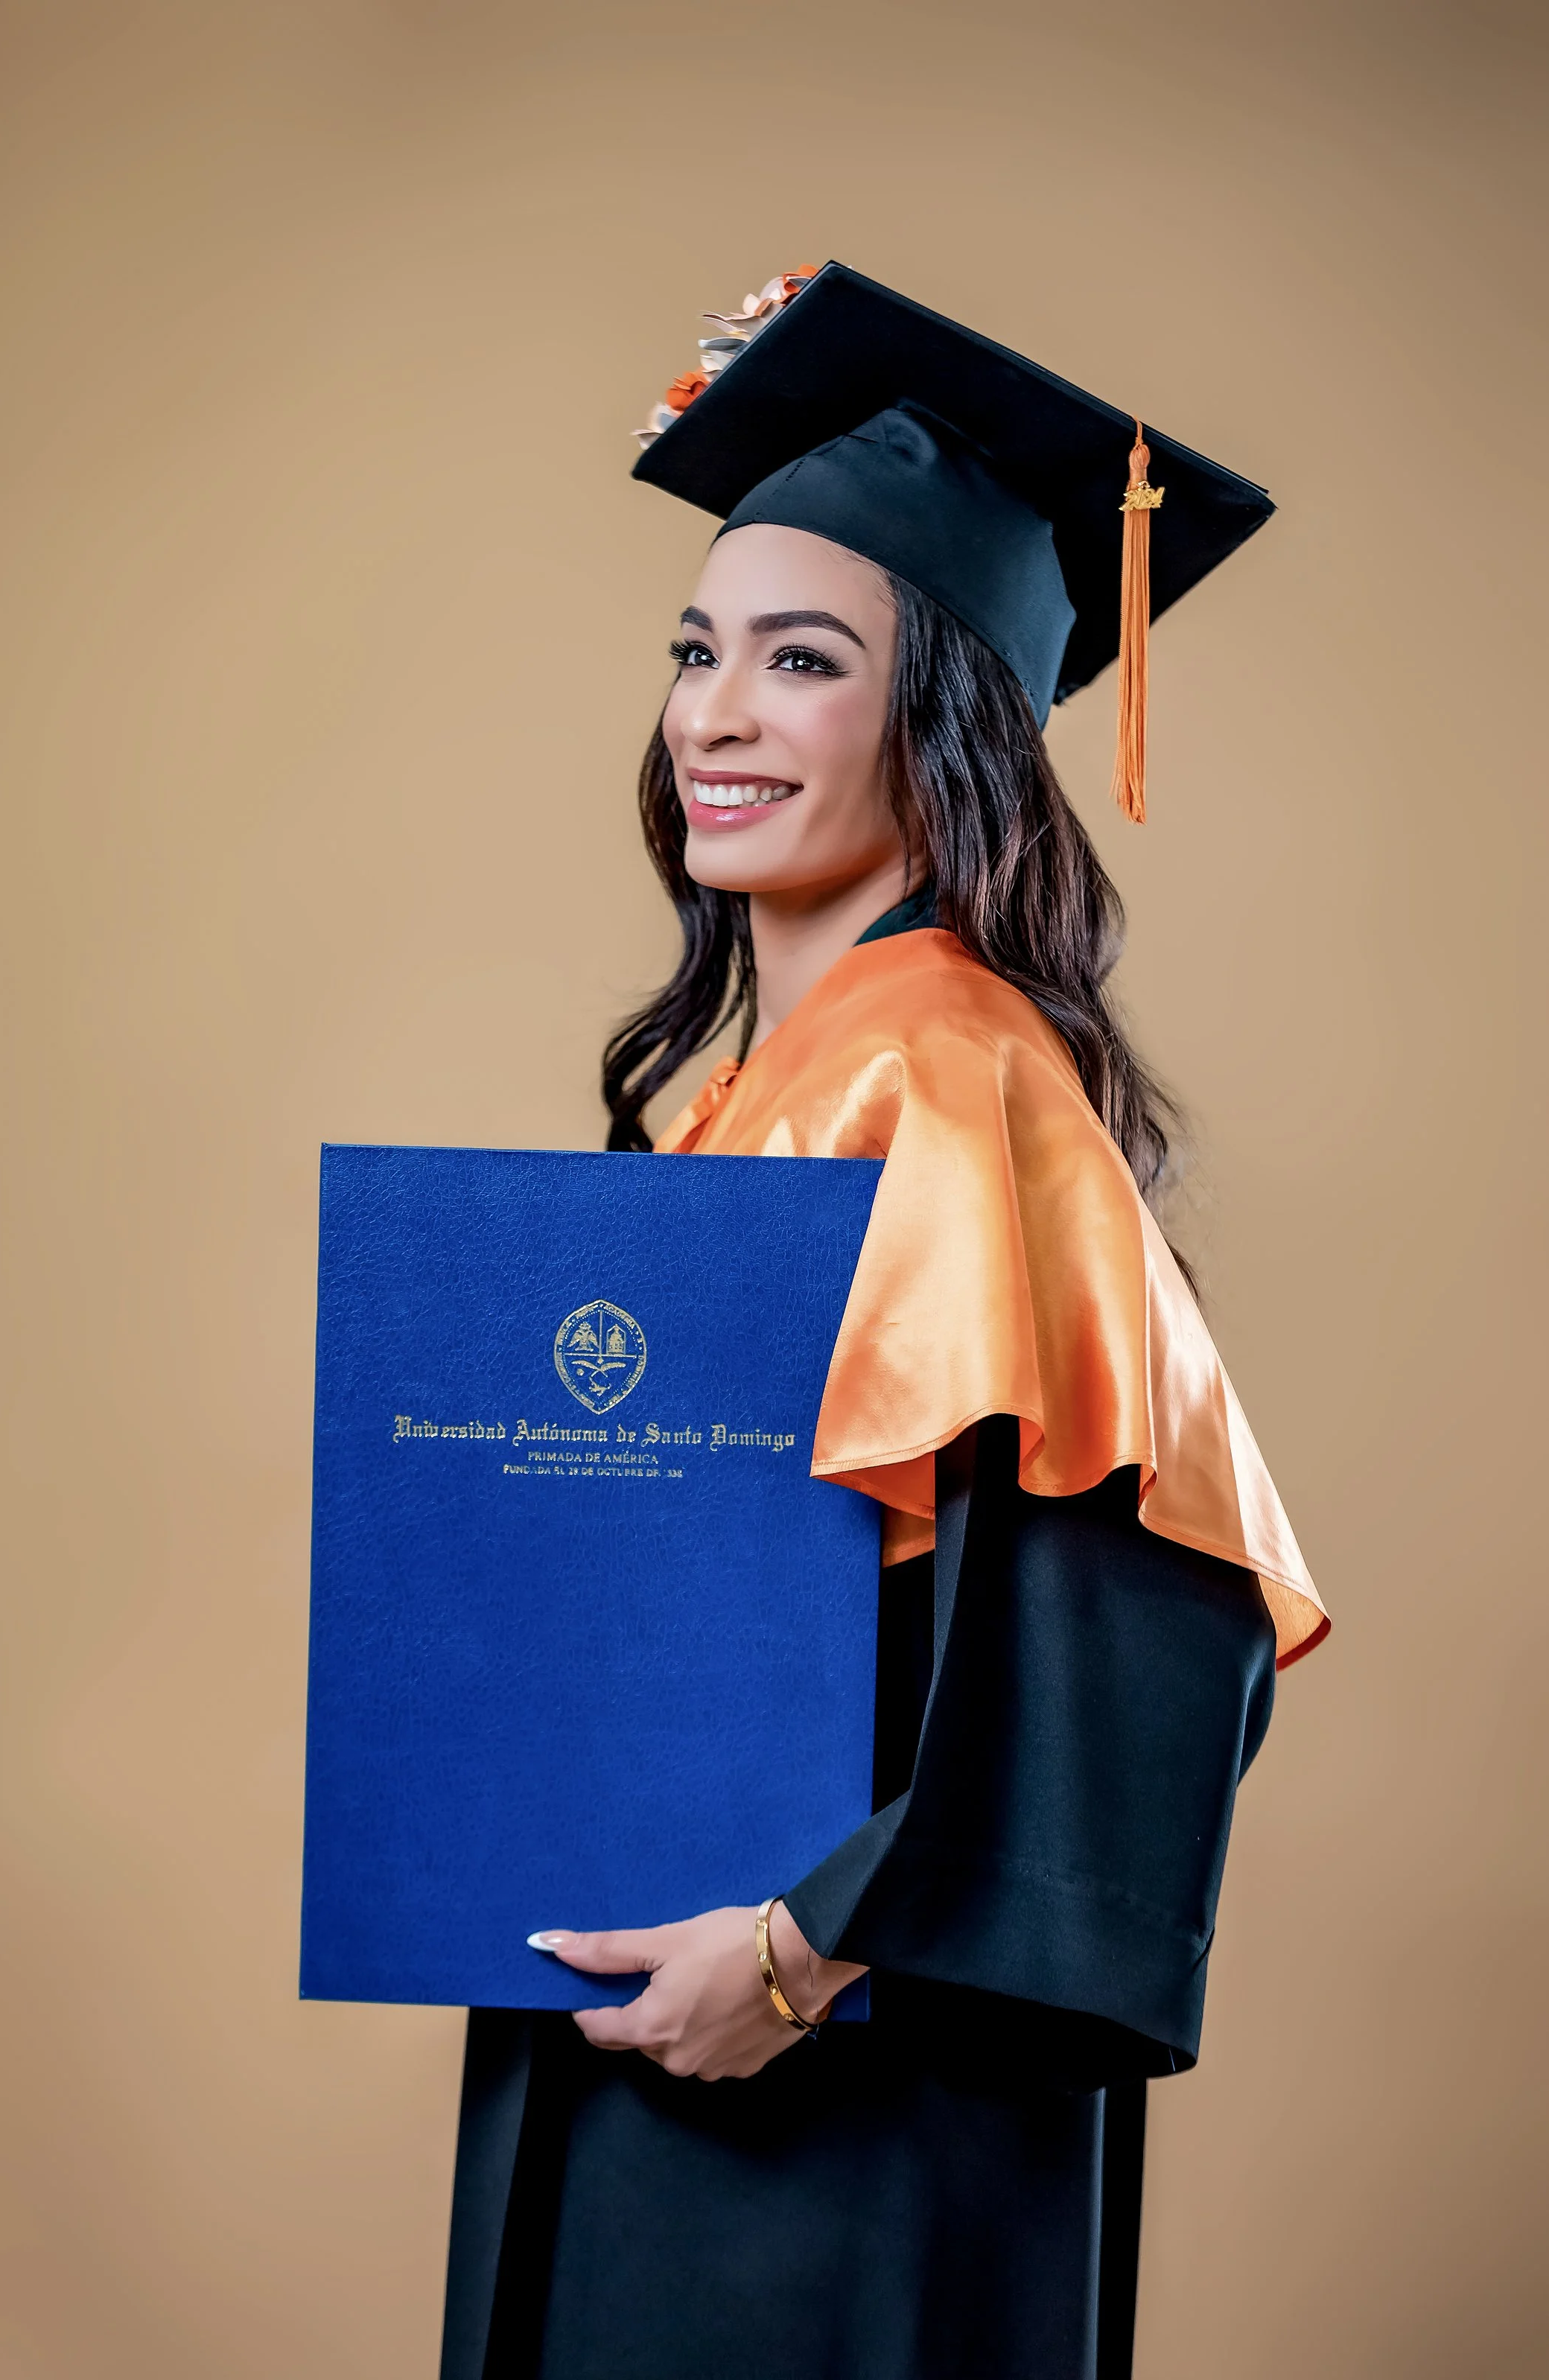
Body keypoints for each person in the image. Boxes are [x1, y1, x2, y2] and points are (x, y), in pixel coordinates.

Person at [439, 263, 1327, 2380]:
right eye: (695, 651)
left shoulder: (947, 1071)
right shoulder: (769, 1076)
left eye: (802, 660)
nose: (716, 716)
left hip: (821, 2079)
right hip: (653, 1982)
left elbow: (1136, 1632)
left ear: (943, 718)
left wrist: (811, 1943)